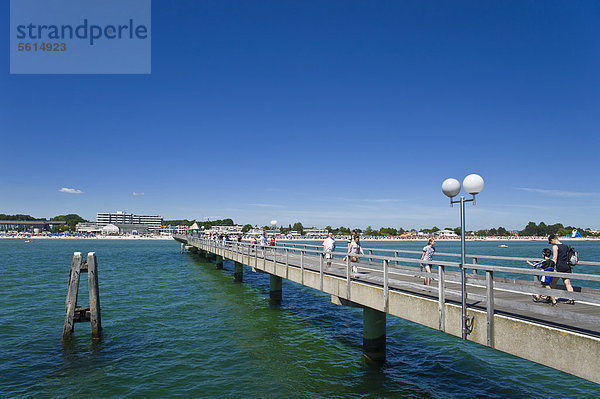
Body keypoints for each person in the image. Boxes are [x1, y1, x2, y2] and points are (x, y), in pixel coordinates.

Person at [548, 234, 575, 304]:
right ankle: (571, 299)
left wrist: (551, 267)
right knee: (567, 283)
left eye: (550, 242)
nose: (551, 244)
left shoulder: (555, 247)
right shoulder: (565, 246)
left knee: (553, 283)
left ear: (553, 240)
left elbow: (555, 258)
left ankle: (550, 297)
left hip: (559, 267)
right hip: (567, 266)